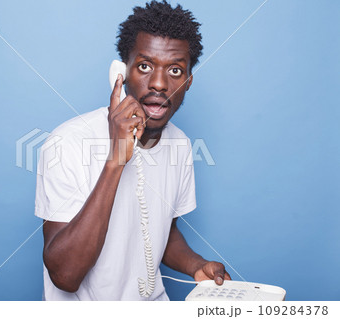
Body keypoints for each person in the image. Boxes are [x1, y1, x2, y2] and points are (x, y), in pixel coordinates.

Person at [35, 0, 231, 301]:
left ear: (188, 82)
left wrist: (196, 265)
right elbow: (65, 276)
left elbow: (159, 231)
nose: (159, 83)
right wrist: (116, 161)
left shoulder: (180, 144)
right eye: (144, 66)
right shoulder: (67, 142)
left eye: (175, 70)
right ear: (121, 73)